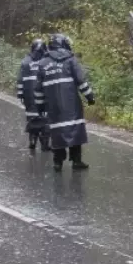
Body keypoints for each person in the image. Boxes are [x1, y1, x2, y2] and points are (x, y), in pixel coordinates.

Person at [34, 34, 95, 172]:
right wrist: (90, 97)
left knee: (57, 132)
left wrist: (40, 106)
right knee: (75, 130)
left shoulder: (43, 63)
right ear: (63, 44)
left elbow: (38, 89)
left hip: (53, 106)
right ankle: (76, 161)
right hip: (71, 104)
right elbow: (81, 81)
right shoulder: (70, 60)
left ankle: (58, 163)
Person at [18, 38, 50, 152]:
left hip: (28, 96)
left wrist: (20, 94)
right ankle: (45, 144)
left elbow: (20, 79)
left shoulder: (25, 61)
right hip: (43, 96)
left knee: (32, 118)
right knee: (45, 119)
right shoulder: (47, 62)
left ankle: (32, 141)